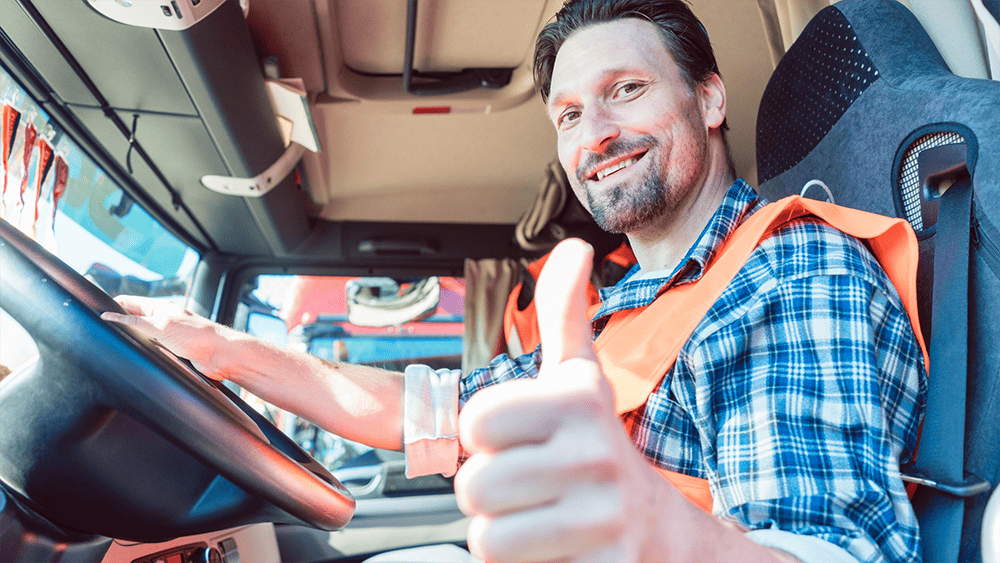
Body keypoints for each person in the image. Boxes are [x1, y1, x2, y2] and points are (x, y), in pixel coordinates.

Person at [102, 1, 927, 562]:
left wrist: (654, 528)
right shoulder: (627, 311)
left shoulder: (789, 272)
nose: (595, 134)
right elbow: (419, 411)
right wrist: (225, 350)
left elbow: (828, 549)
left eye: (626, 91)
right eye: (568, 114)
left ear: (709, 99)